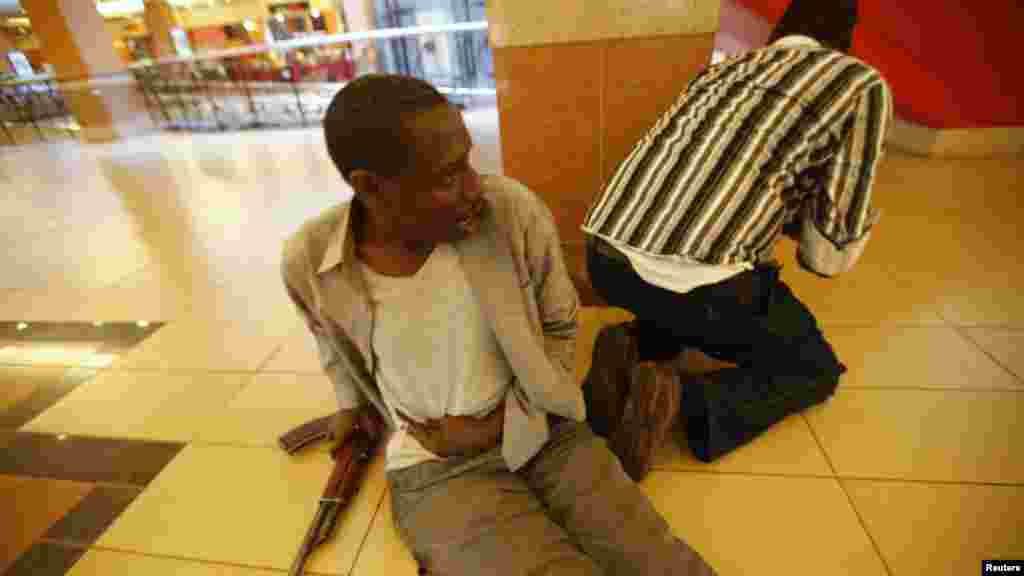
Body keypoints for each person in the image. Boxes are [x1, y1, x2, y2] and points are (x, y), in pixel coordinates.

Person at [281, 74, 716, 575]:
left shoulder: (510, 212)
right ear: (370, 187)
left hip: (547, 434)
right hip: (438, 469)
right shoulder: (311, 259)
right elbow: (327, 336)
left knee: (660, 563)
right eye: (448, 176)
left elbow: (560, 325)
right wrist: (350, 403)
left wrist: (498, 426)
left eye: (468, 160)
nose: (474, 188)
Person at [581, 0, 894, 481]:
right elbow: (827, 256)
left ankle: (631, 344)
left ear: (777, 35)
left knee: (685, 285)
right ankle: (680, 401)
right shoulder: (859, 83)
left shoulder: (723, 69)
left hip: (605, 261)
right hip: (700, 287)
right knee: (810, 367)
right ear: (843, 43)